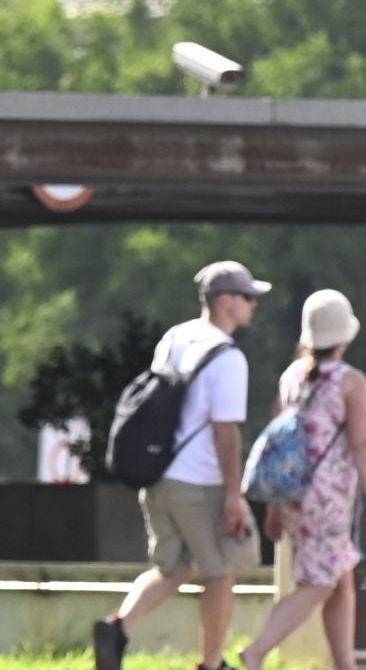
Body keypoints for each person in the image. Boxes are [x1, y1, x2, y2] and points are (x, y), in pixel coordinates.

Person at [95, 260, 271, 670]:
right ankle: (212, 663)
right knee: (222, 570)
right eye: (247, 297)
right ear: (226, 301)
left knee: (173, 568)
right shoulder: (228, 358)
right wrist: (232, 494)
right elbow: (225, 432)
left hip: (159, 477)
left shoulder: (175, 337)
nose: (253, 306)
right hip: (200, 482)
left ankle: (117, 628)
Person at [235, 289, 366, 670]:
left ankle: (345, 664)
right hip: (329, 498)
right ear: (346, 336)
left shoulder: (292, 378)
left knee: (339, 578)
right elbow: (361, 445)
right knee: (319, 584)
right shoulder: (350, 382)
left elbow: (280, 441)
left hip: (295, 496)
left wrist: (275, 505)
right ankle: (256, 651)